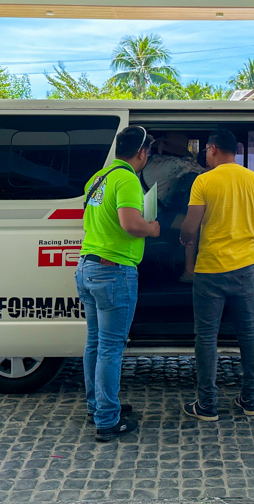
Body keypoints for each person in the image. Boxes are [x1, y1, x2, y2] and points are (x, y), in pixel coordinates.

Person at [179, 129, 254, 421]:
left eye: (206, 150)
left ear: (214, 149)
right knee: (248, 334)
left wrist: (183, 239)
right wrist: (247, 242)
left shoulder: (204, 181)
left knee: (206, 337)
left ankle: (207, 405)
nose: (205, 154)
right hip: (245, 267)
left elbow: (191, 225)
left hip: (210, 269)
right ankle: (250, 399)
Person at [76, 125, 160, 442]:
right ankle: (108, 421)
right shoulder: (126, 179)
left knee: (95, 344)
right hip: (113, 272)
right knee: (111, 348)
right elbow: (131, 224)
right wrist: (153, 228)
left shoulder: (98, 177)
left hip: (88, 267)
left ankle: (97, 406)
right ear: (142, 153)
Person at [142, 132, 205, 281]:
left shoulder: (150, 162)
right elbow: (206, 173)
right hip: (152, 215)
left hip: (138, 212)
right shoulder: (174, 164)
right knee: (192, 224)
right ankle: (189, 271)